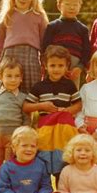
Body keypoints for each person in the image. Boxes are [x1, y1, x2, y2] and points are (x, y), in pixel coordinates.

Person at [23, 45, 81, 182]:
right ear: (45, 66)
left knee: (62, 158)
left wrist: (67, 111)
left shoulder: (70, 85)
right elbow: (26, 106)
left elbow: (79, 104)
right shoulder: (39, 86)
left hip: (63, 129)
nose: (56, 69)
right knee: (44, 157)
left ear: (67, 66)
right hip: (45, 129)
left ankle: (61, 191)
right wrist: (42, 106)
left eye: (60, 65)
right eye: (53, 65)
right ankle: (45, 189)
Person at [0, 0, 48, 93]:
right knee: (5, 93)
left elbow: (45, 44)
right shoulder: (7, 15)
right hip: (9, 58)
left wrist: (45, 64)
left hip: (30, 59)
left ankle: (26, 112)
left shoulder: (39, 17)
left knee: (29, 94)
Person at [0, 57, 30, 162]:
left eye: (17, 76)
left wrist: (23, 134)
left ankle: (8, 178)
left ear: (21, 78)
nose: (13, 80)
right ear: (0, 77)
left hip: (12, 138)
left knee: (10, 163)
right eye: (9, 76)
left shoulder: (23, 97)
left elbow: (26, 118)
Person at [0, 127, 53, 193]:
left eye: (32, 146)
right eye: (24, 145)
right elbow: (3, 189)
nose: (29, 149)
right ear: (14, 147)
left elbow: (47, 187)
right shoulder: (6, 167)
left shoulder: (41, 165)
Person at [42, 0, 91, 88]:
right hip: (54, 66)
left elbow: (86, 51)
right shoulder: (52, 26)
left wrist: (80, 67)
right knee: (51, 89)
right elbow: (44, 48)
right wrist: (46, 65)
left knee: (71, 92)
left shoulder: (83, 29)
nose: (72, 7)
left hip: (74, 69)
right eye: (67, 4)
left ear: (80, 6)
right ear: (59, 6)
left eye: (75, 5)